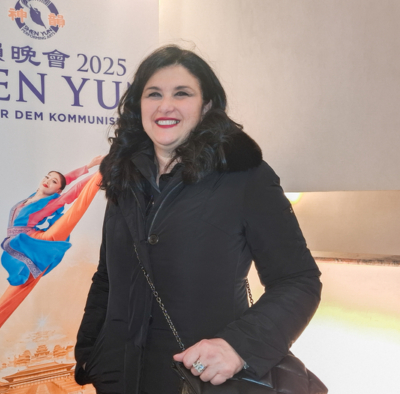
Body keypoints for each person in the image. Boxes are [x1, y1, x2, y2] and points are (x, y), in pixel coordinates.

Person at [74, 46, 322, 393]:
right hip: (120, 378)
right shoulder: (124, 177)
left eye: (182, 93)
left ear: (206, 106)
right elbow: (107, 277)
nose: (165, 106)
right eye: (153, 94)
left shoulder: (245, 176)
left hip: (202, 380)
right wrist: (89, 353)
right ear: (138, 106)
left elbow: (298, 280)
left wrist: (237, 347)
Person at [0, 155, 103, 386]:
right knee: (5, 304)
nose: (48, 181)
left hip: (39, 242)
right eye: (47, 177)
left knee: (75, 209)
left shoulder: (52, 201)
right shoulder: (31, 197)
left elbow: (71, 190)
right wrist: (88, 165)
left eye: (54, 182)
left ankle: (103, 174)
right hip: (22, 248)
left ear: (58, 190)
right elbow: (64, 179)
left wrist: (98, 170)